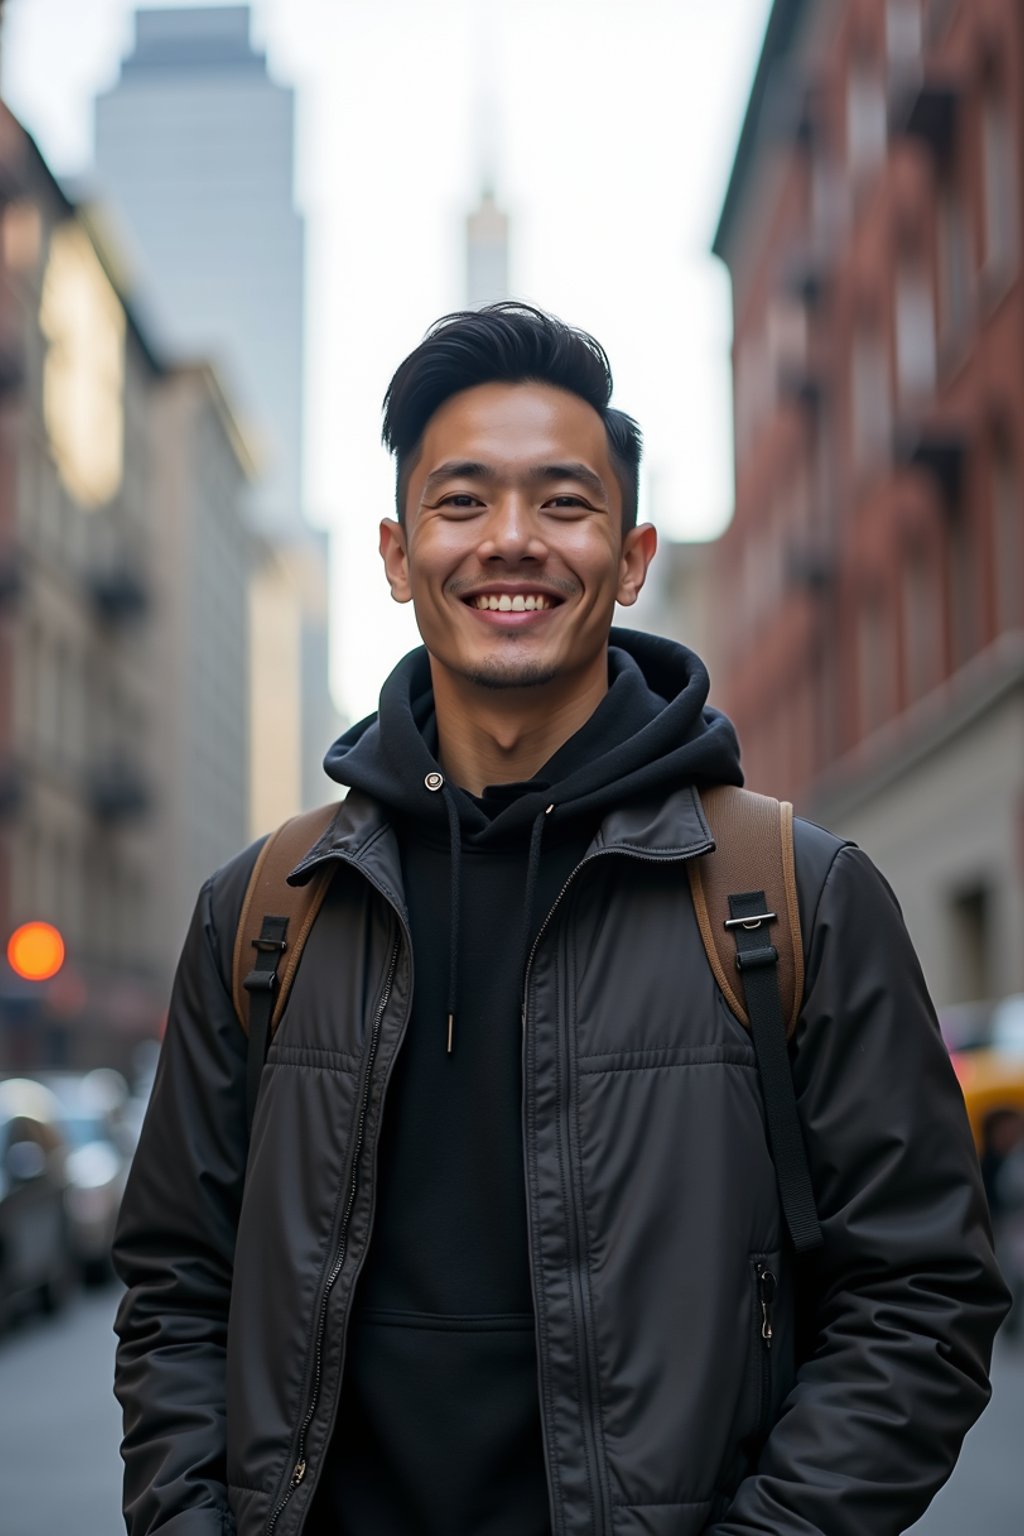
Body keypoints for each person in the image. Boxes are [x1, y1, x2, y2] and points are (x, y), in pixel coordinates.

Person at [114, 303, 1008, 1536]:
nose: (513, 542)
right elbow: (173, 1285)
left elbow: (920, 1294)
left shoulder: (790, 893)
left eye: (565, 503)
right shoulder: (266, 910)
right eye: (463, 500)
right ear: (394, 551)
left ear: (631, 556)